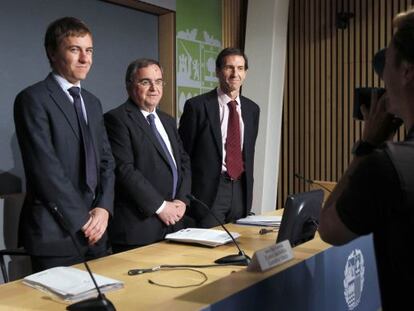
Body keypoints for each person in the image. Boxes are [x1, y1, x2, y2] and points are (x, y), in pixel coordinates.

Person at [318, 8, 414, 310]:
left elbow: (329, 228)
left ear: (406, 71)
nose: (382, 77)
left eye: (386, 63)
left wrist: (368, 145)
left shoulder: (387, 166)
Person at [14, 17, 115, 271]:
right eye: (74, 49)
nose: (85, 58)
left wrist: (103, 209)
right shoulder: (32, 99)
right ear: (52, 52)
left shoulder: (92, 103)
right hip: (56, 234)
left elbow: (106, 161)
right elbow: (46, 171)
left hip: (98, 233)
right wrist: (83, 221)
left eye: (89, 50)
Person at [104, 59, 191, 252]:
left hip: (174, 223)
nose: (154, 88)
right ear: (129, 86)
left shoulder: (167, 120)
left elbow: (184, 161)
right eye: (146, 82)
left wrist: (182, 200)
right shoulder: (116, 119)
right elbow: (124, 170)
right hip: (140, 228)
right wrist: (161, 207)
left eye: (158, 81)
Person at [179, 48, 260, 228]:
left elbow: (248, 153)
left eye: (240, 68)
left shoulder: (252, 110)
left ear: (245, 73)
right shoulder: (197, 106)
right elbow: (183, 156)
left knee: (239, 244)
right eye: (229, 68)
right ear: (217, 71)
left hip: (240, 189)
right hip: (209, 194)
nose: (235, 74)